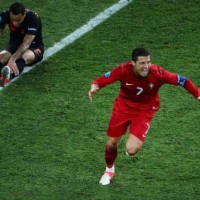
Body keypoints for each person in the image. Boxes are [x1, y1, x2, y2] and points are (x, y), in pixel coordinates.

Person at [88, 47, 200, 186]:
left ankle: (132, 142)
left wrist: (198, 94)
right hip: (123, 107)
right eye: (142, 63)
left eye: (148, 62)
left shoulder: (158, 73)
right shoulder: (123, 69)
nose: (146, 66)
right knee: (111, 143)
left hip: (144, 111)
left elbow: (182, 80)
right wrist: (95, 85)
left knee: (132, 149)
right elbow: (106, 78)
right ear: (133, 63)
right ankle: (109, 170)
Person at [0, 2, 44, 86]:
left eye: (18, 20)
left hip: (34, 47)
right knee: (1, 57)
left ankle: (7, 77)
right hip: (14, 44)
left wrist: (13, 58)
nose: (14, 23)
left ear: (24, 15)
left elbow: (26, 43)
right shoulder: (5, 15)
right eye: (12, 20)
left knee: (23, 56)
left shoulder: (33, 18)